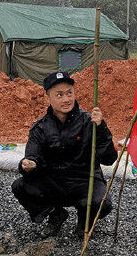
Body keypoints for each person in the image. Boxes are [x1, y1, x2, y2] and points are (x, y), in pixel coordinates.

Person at [11, 71, 118, 238]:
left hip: (85, 181)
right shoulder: (40, 127)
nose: (66, 99)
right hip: (55, 183)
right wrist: (28, 164)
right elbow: (33, 156)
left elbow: (109, 159)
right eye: (59, 95)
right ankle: (55, 213)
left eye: (70, 93)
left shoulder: (90, 122)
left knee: (102, 203)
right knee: (20, 186)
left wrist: (102, 128)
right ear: (49, 97)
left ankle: (85, 220)